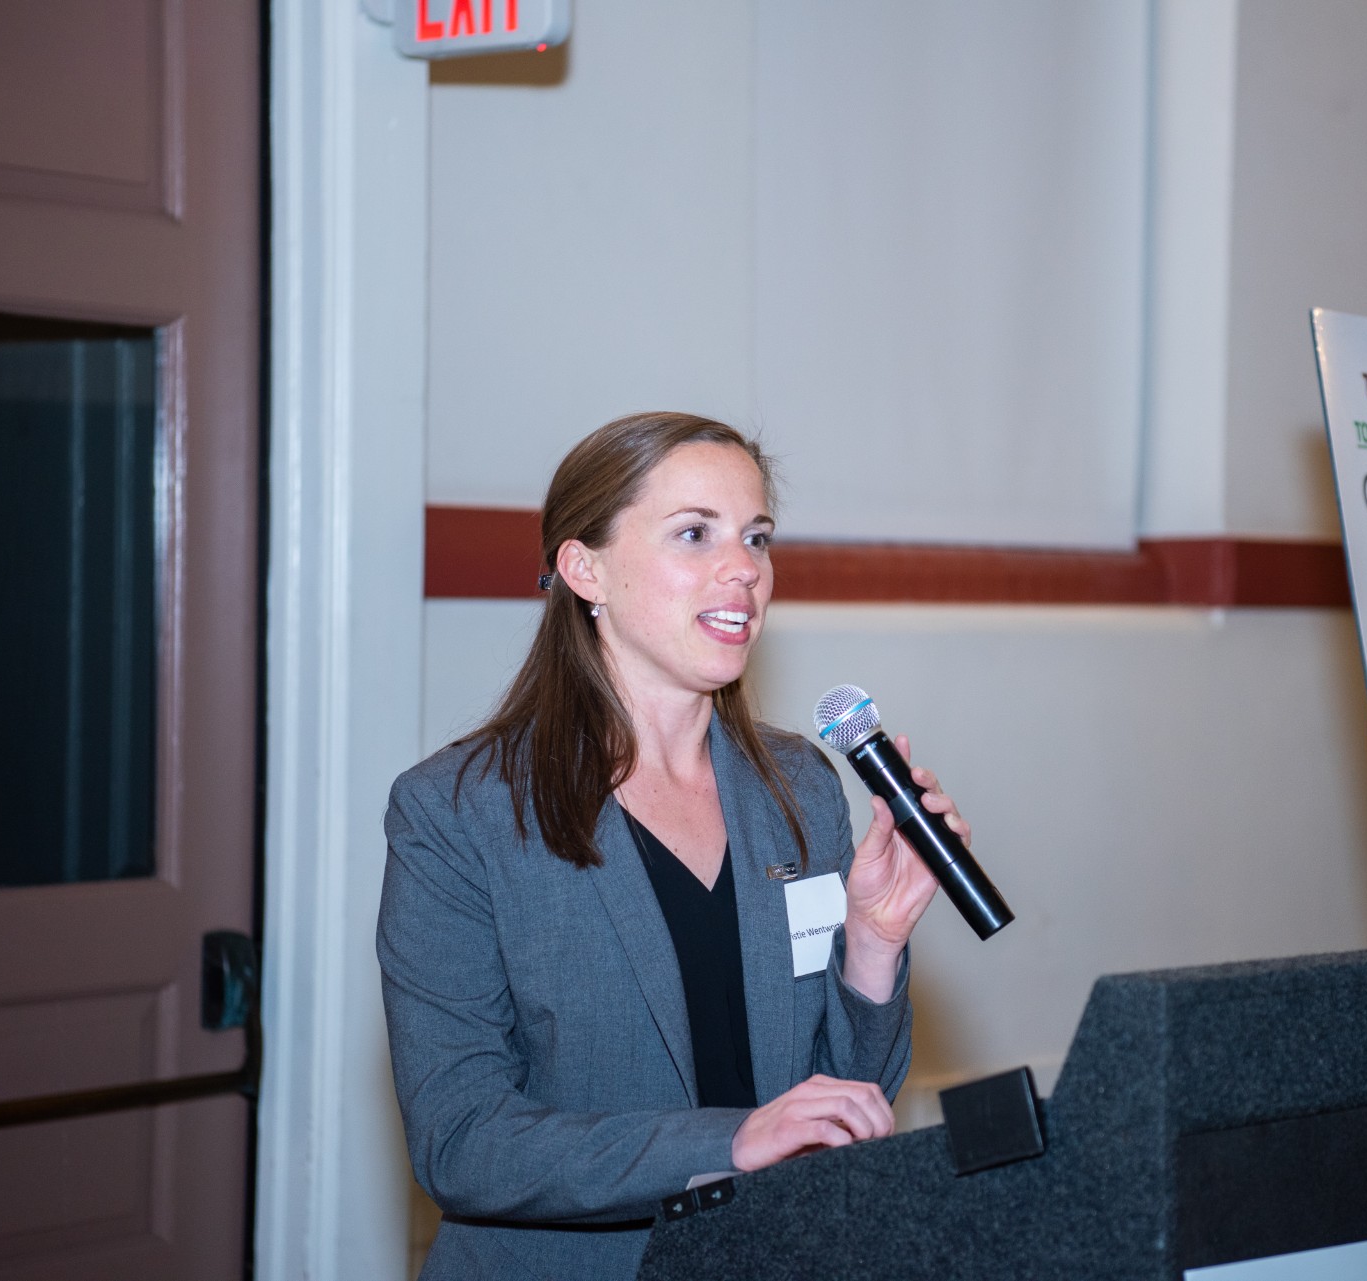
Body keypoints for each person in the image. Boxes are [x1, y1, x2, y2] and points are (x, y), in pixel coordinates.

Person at [378, 412, 954, 1280]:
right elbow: (462, 1142)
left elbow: (841, 1104)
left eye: (756, 538)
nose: (744, 570)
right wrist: (732, 1139)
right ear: (586, 570)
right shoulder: (459, 812)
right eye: (695, 533)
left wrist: (874, 942)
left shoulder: (798, 787)